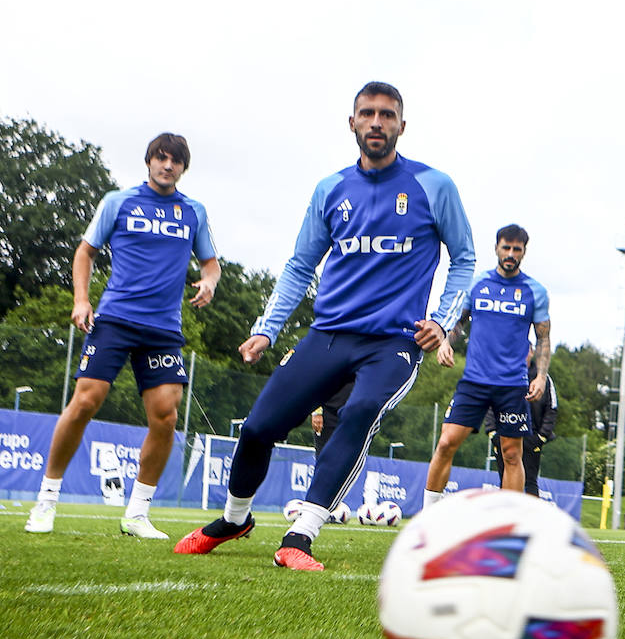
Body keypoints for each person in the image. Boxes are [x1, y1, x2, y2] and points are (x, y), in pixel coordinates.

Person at [174, 81, 475, 570]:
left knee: (358, 413)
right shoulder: (330, 189)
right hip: (328, 335)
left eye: (387, 114)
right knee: (256, 429)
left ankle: (302, 535)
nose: (377, 122)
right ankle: (234, 519)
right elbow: (299, 266)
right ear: (352, 122)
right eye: (367, 113)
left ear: (402, 125)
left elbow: (463, 259)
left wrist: (441, 320)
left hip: (392, 344)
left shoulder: (433, 186)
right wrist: (267, 328)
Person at [26, 133, 219, 538]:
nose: (168, 166)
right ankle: (46, 500)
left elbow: (211, 263)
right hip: (115, 319)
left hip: (164, 329)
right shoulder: (118, 201)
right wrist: (81, 300)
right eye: (161, 158)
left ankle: (136, 514)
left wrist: (208, 281)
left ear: (184, 168)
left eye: (176, 161)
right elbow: (85, 251)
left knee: (166, 417)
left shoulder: (194, 212)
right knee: (85, 401)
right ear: (149, 162)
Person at [424, 225, 551, 505]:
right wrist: (446, 341)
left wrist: (541, 376)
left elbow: (543, 338)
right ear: (496, 248)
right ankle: (427, 518)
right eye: (506, 247)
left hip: (512, 385)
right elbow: (457, 323)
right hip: (474, 382)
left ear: (523, 253)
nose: (510, 254)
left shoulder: (535, 292)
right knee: (446, 443)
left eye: (517, 249)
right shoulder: (478, 284)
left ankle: (507, 525)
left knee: (511, 454)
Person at [484, 350, 558, 497]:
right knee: (505, 479)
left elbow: (552, 409)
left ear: (531, 353)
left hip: (532, 438)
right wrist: (493, 434)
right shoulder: (502, 374)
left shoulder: (543, 378)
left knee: (530, 482)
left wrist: (541, 438)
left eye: (526, 350)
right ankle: (506, 516)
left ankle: (529, 519)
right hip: (505, 436)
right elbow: (489, 404)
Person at [311, 380, 354, 455]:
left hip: (353, 415)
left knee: (349, 460)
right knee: (325, 459)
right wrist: (316, 411)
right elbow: (316, 378)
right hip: (328, 415)